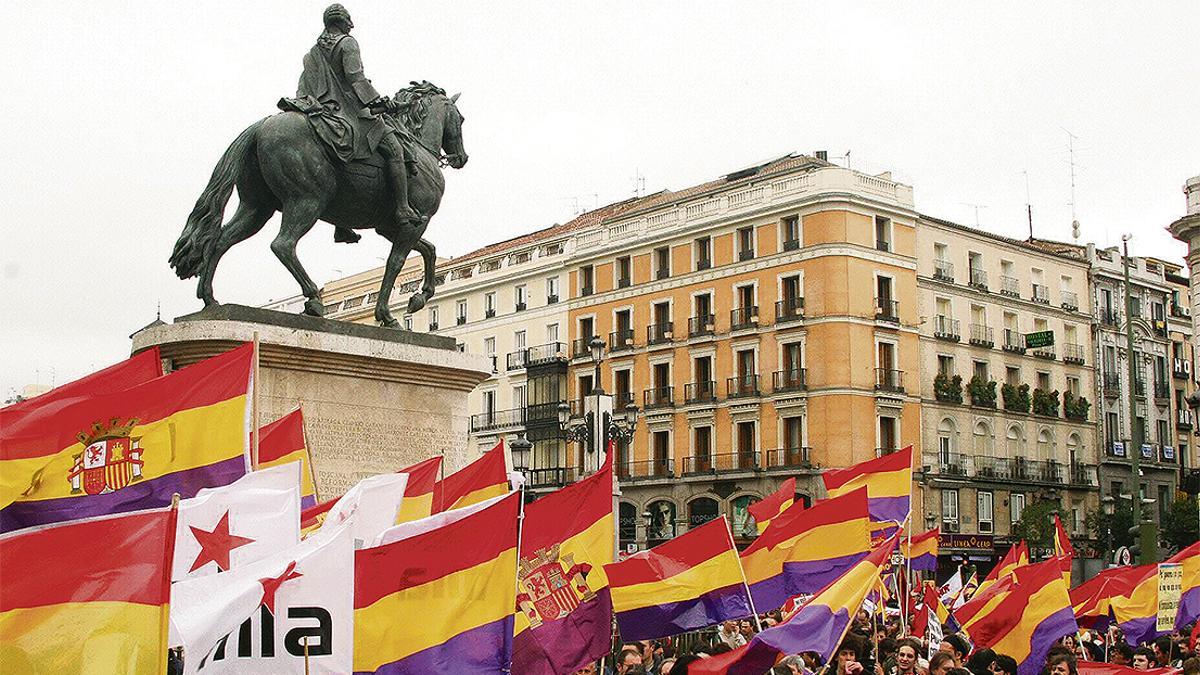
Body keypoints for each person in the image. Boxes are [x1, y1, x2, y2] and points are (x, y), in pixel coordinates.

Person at [297, 4, 421, 242]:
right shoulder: (348, 43)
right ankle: (403, 207)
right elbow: (356, 78)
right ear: (344, 22)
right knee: (394, 147)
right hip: (349, 113)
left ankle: (341, 223)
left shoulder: (313, 52)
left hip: (320, 111)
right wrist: (380, 101)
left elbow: (305, 86)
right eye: (348, 21)